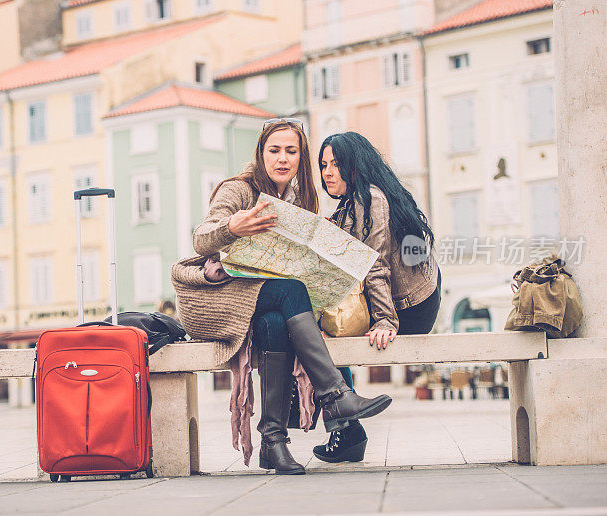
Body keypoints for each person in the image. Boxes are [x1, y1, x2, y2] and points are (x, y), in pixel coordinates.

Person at [171, 120, 392, 475]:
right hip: (217, 297)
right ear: (261, 153)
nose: (283, 158)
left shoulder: (301, 199)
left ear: (301, 157)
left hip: (265, 300)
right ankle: (335, 397)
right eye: (274, 150)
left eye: (292, 151)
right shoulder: (238, 189)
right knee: (291, 291)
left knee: (277, 321)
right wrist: (233, 227)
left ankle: (273, 444)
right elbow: (201, 237)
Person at [314, 131, 441, 463]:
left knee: (315, 335)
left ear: (355, 165)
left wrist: (386, 320)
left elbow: (375, 263)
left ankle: (347, 429)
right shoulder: (348, 207)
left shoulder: (371, 198)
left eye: (337, 164)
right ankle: (346, 427)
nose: (328, 172)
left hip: (411, 305)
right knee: (314, 333)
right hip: (397, 300)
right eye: (324, 164)